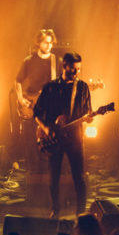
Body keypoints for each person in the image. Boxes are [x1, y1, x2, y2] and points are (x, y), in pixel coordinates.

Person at [33, 52, 92, 218]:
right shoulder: (50, 87)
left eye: (78, 69)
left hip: (75, 138)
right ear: (64, 65)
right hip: (53, 138)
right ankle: (55, 209)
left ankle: (81, 213)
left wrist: (89, 118)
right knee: (54, 176)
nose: (76, 73)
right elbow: (36, 112)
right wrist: (46, 129)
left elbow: (88, 113)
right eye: (73, 69)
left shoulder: (82, 87)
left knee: (79, 177)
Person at [13, 29, 60, 168]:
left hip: (50, 105)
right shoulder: (29, 61)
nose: (49, 46)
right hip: (33, 104)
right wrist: (21, 100)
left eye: (51, 43)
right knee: (30, 137)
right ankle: (32, 168)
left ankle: (49, 168)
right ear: (39, 42)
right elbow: (17, 81)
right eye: (46, 43)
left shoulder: (56, 61)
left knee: (52, 136)